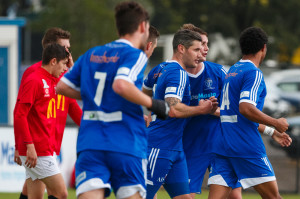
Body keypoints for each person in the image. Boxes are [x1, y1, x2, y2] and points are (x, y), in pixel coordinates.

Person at [56, 1, 169, 199]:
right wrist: (154, 104)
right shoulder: (135, 55)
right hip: (125, 143)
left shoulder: (92, 53)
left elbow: (62, 87)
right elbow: (121, 84)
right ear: (143, 27)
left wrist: (94, 94)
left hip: (91, 143)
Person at [207, 27, 292, 199]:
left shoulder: (232, 71)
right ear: (263, 48)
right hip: (245, 145)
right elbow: (245, 108)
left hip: (224, 145)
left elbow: (237, 116)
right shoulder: (253, 73)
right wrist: (275, 123)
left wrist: (270, 132)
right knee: (273, 197)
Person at [143, 29, 218, 199]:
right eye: (196, 50)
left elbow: (144, 93)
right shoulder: (178, 73)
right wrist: (202, 109)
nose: (201, 55)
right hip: (159, 146)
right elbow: (174, 108)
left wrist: (151, 112)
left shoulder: (162, 68)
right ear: (181, 49)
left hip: (175, 148)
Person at [14, 27, 82, 199]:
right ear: (53, 52)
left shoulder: (62, 73)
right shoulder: (35, 74)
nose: (68, 53)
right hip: (39, 142)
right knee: (59, 192)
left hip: (50, 140)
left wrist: (89, 126)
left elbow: (72, 104)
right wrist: (20, 144)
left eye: (69, 49)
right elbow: (20, 111)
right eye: (65, 49)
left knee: (34, 192)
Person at [179, 24, 243, 199]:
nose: (205, 49)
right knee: (186, 196)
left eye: (206, 44)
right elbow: (171, 109)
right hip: (191, 145)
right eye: (200, 46)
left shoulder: (218, 72)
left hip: (219, 143)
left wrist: (211, 111)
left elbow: (235, 111)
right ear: (185, 48)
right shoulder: (175, 75)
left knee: (235, 196)